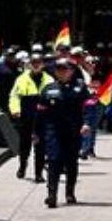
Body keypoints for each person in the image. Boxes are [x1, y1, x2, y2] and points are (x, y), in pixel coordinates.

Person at [36, 55, 93, 209]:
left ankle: (70, 192)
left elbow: (88, 107)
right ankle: (51, 194)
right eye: (58, 69)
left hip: (73, 130)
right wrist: (36, 132)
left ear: (71, 71)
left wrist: (87, 123)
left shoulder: (80, 88)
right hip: (53, 131)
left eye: (64, 69)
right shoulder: (49, 89)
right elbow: (41, 112)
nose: (61, 72)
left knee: (71, 162)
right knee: (54, 160)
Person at [9, 53, 50, 182]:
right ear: (29, 64)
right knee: (25, 144)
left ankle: (39, 173)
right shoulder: (21, 79)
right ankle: (22, 165)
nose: (36, 65)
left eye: (39, 62)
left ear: (43, 64)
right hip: (26, 114)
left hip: (43, 116)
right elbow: (14, 96)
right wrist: (15, 110)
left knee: (41, 146)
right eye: (33, 63)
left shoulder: (49, 80)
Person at [74, 47, 102, 159]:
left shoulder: (100, 73)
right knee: (84, 126)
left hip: (98, 102)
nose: (91, 64)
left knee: (93, 126)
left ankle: (90, 148)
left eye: (93, 62)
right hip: (83, 102)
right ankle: (83, 149)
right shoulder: (77, 71)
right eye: (89, 62)